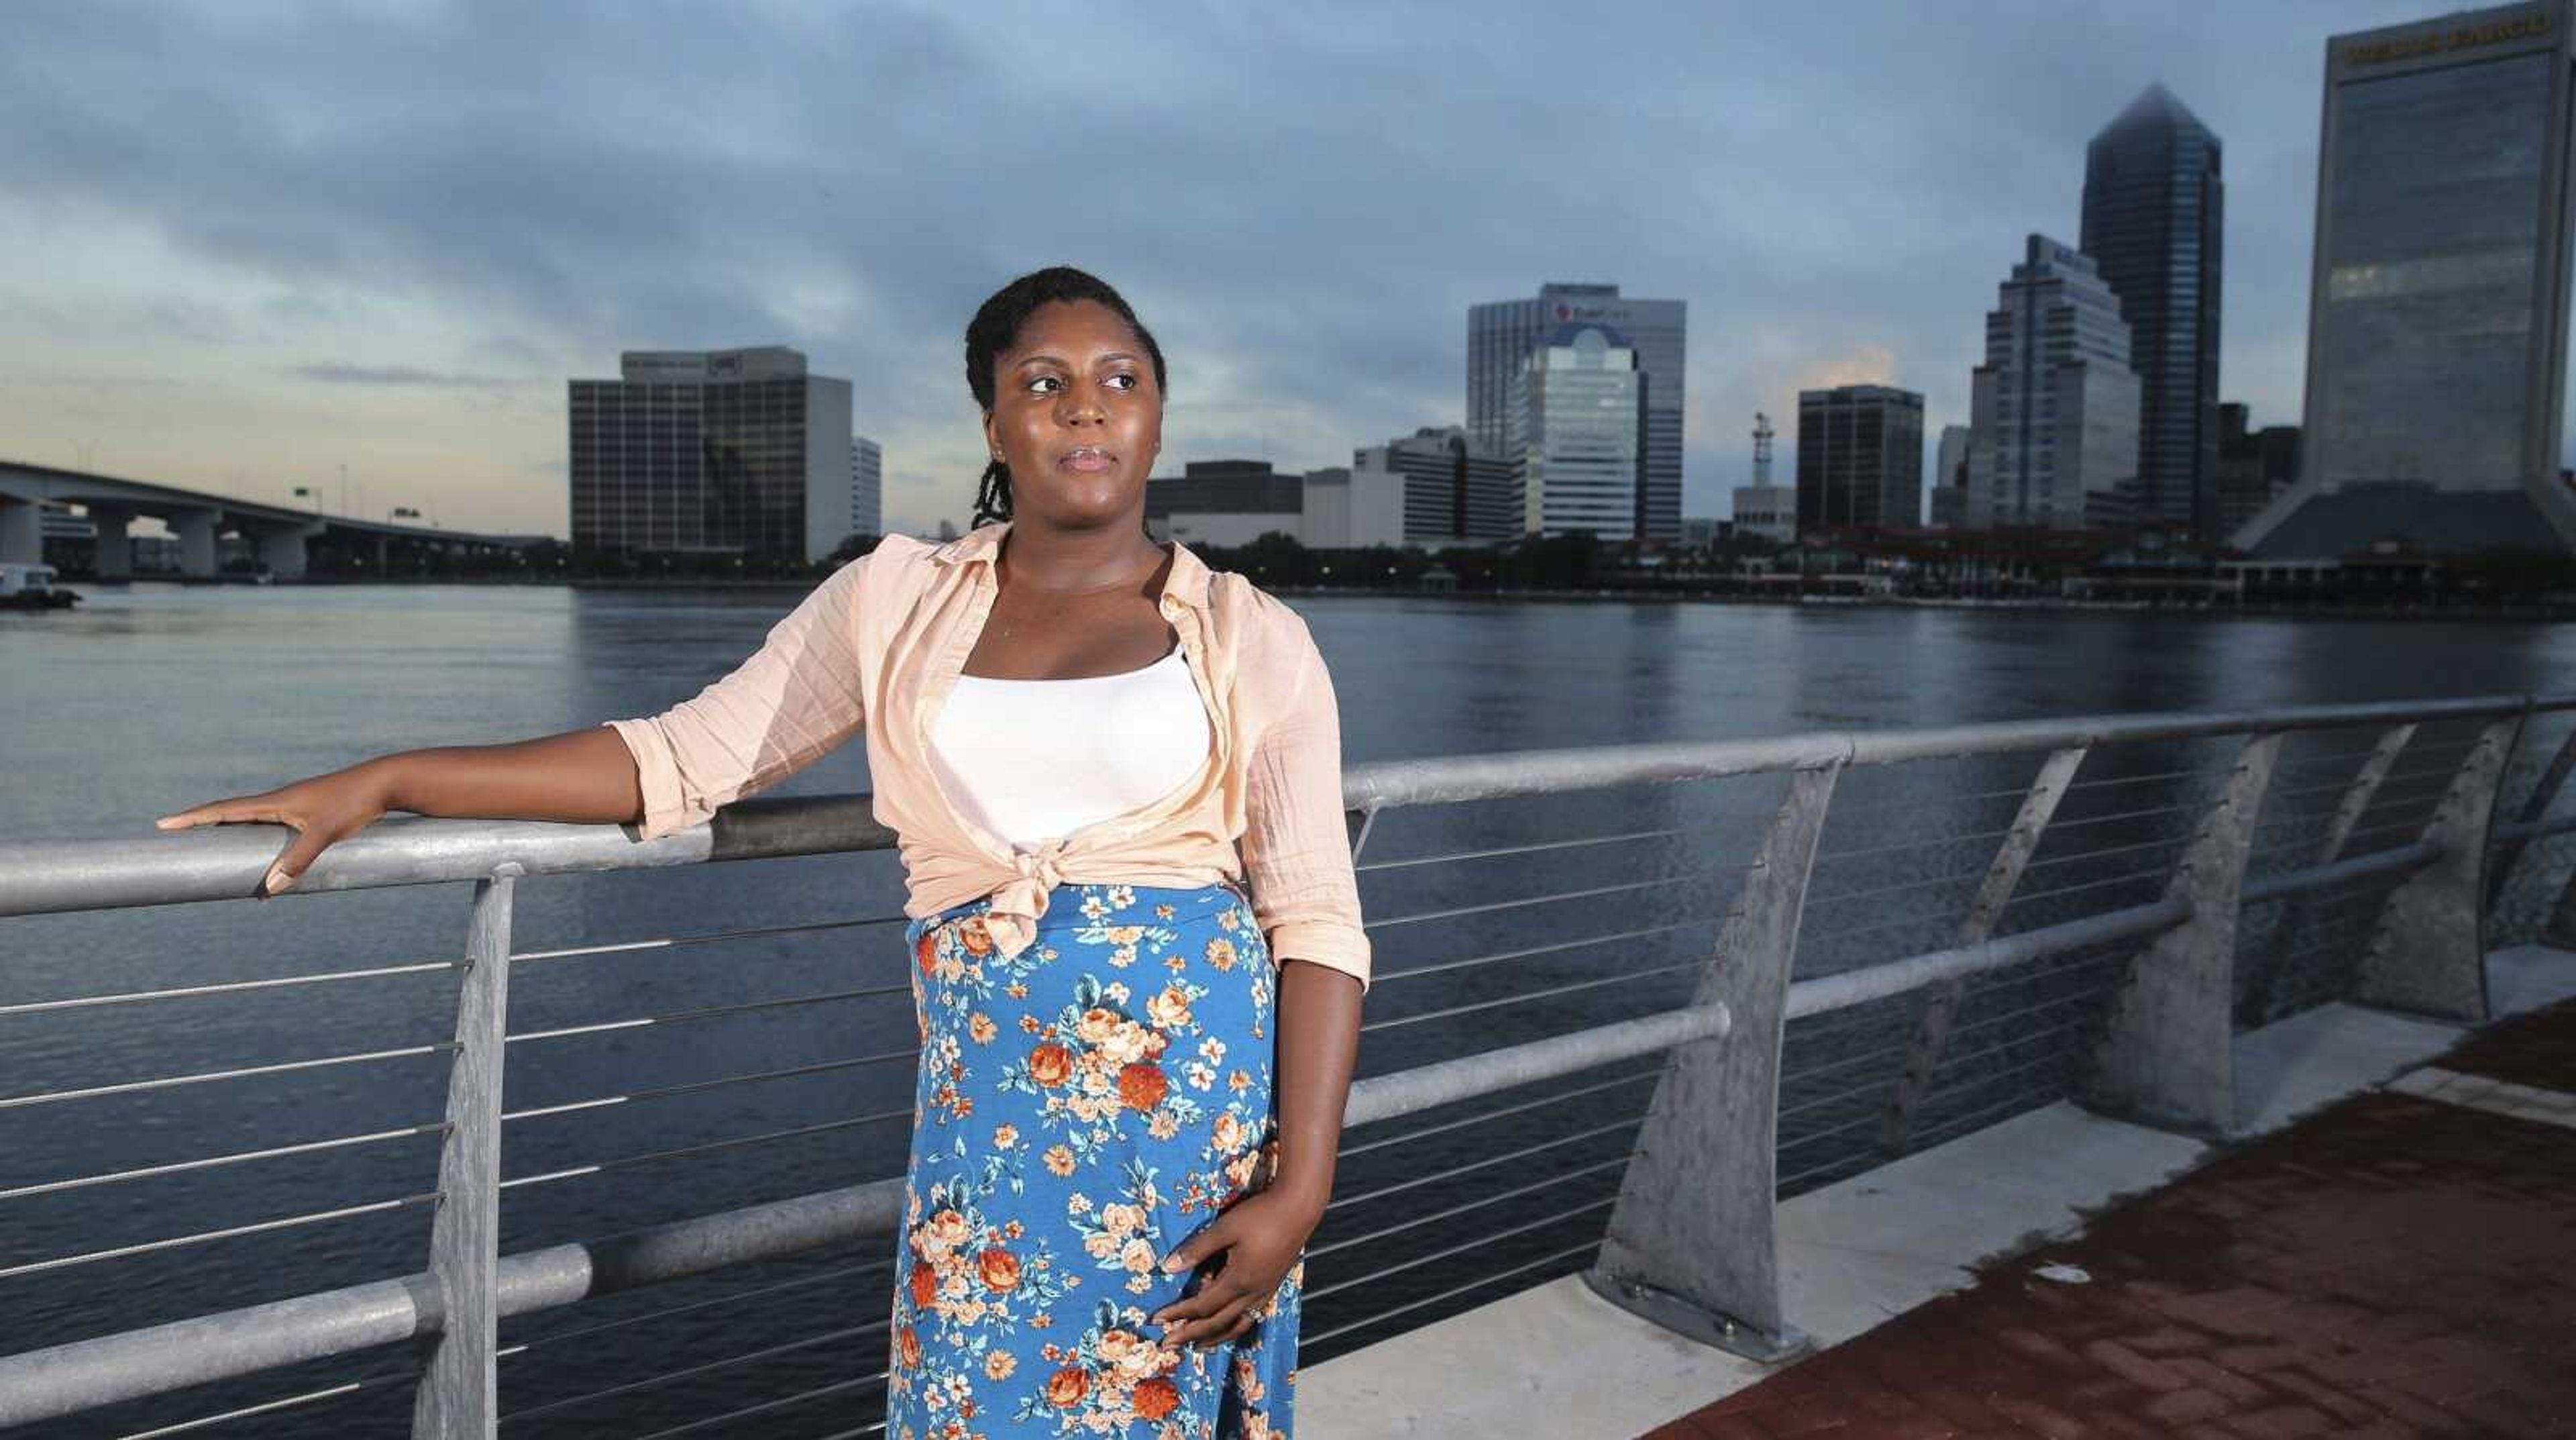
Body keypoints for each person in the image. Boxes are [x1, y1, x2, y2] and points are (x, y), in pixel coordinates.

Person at [153, 265, 1371, 1439]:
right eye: (1043, 382)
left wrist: (1301, 1183)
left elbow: (1316, 920)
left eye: (1120, 378)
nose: (1085, 404)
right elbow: (675, 760)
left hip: (1196, 1137)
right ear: (994, 424)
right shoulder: (893, 599)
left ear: (1157, 416)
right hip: (992, 1131)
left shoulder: (1249, 634)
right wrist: (392, 778)